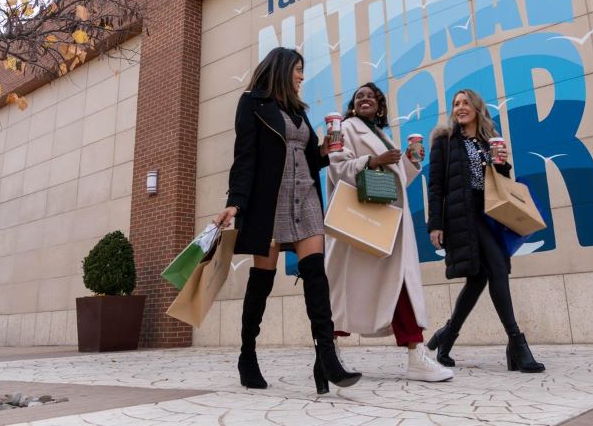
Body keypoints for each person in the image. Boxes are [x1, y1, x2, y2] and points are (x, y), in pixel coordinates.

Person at [215, 47, 361, 394]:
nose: (301, 77)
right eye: (298, 70)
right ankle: (247, 354)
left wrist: (325, 151)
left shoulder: (298, 111)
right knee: (261, 280)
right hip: (270, 201)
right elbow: (245, 157)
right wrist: (235, 203)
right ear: (281, 69)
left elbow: (308, 157)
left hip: (306, 197)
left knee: (315, 275)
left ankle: (326, 357)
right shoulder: (251, 103)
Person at [325, 83, 453, 382]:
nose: (365, 99)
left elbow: (390, 184)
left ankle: (416, 355)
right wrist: (373, 160)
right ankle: (326, 353)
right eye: (359, 97)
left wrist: (410, 161)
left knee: (399, 287)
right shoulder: (344, 129)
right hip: (363, 225)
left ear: (380, 106)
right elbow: (336, 169)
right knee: (347, 294)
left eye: (372, 97)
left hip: (387, 223)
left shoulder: (382, 135)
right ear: (353, 106)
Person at [425, 89, 545, 373]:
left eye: (466, 103)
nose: (460, 108)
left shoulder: (487, 140)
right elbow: (436, 186)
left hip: (489, 213)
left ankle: (447, 336)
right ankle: (517, 342)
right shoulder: (444, 141)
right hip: (462, 215)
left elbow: (500, 182)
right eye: (456, 104)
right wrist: (435, 225)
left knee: (479, 279)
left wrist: (501, 163)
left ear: (477, 108)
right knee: (499, 269)